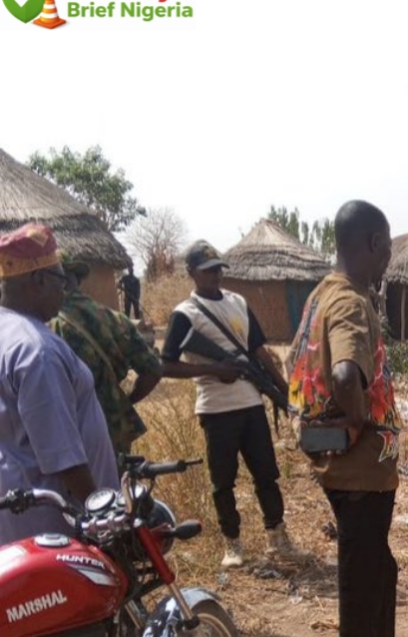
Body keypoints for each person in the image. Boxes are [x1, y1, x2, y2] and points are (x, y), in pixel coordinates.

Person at [287, 200, 400, 637]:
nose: (389, 258)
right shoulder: (351, 302)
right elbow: (343, 375)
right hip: (360, 475)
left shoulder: (320, 296)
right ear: (374, 243)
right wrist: (359, 421)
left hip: (343, 468)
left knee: (378, 571)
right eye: (387, 248)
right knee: (363, 588)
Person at [160, 240, 295, 568]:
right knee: (223, 481)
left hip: (250, 403)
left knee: (267, 474)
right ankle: (233, 545)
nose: (215, 275)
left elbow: (260, 351)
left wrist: (285, 392)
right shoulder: (184, 314)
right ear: (192, 273)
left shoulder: (238, 302)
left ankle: (278, 539)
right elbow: (166, 365)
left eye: (218, 269)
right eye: (207, 271)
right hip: (215, 408)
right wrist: (214, 369)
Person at [0, 224, 119, 545]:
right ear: (37, 280)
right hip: (58, 530)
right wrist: (104, 518)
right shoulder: (37, 349)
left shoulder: (7, 334)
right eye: (59, 280)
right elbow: (62, 455)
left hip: (16, 525)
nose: (64, 290)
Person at [50, 255, 162, 459]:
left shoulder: (43, 323)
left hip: (63, 430)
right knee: (113, 488)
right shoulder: (114, 318)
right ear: (77, 279)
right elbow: (153, 370)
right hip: (111, 427)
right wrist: (124, 401)